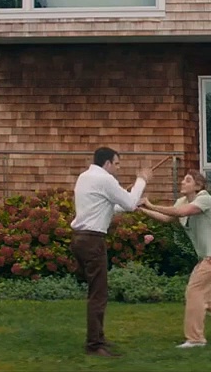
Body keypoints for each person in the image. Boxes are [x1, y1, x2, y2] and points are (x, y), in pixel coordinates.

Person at [139, 170, 211, 349]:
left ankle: (196, 339)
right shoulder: (182, 201)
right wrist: (142, 209)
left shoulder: (204, 199)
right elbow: (167, 218)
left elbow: (181, 212)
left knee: (195, 292)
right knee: (197, 293)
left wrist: (150, 204)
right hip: (209, 256)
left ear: (198, 185)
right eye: (183, 179)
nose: (182, 182)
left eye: (187, 180)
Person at [69, 147, 152, 358]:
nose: (118, 168)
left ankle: (98, 337)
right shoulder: (105, 179)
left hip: (79, 239)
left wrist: (132, 200)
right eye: (117, 164)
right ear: (106, 163)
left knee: (96, 292)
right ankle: (94, 345)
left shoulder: (85, 177)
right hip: (93, 241)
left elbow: (108, 206)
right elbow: (129, 203)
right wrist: (142, 180)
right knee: (98, 294)